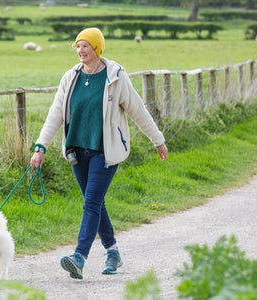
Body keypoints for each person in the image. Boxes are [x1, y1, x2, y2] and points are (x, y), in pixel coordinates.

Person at [30, 27, 168, 279]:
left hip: (105, 152)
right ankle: (113, 251)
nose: (80, 51)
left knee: (91, 202)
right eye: (78, 46)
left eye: (85, 46)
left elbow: (138, 110)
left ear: (97, 48)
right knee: (95, 202)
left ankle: (79, 257)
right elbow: (55, 114)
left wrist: (157, 140)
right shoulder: (70, 77)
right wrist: (41, 147)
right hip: (76, 152)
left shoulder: (115, 77)